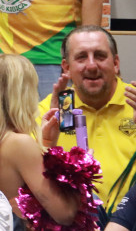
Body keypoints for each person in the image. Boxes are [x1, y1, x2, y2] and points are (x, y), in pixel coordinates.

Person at [0, 54, 78, 231]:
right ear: (23, 94)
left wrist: (48, 144)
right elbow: (65, 214)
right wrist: (82, 169)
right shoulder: (19, 143)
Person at [38, 27, 136, 213]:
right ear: (66, 67)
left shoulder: (134, 103)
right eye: (81, 57)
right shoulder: (48, 113)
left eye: (99, 56)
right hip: (70, 229)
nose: (91, 66)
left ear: (116, 63)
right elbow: (29, 185)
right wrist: (47, 142)